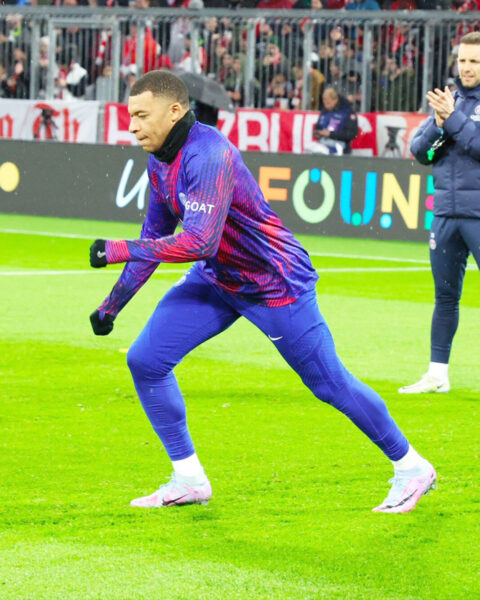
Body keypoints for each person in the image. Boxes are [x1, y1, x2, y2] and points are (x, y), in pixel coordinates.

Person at [89, 70, 435, 513]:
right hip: (218, 279)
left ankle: (411, 467)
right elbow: (155, 238)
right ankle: (189, 479)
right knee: (146, 360)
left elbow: (199, 241)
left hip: (273, 282)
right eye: (130, 116)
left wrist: (117, 250)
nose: (132, 126)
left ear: (174, 112)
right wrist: (112, 305)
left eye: (141, 115)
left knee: (328, 383)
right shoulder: (159, 160)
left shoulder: (208, 153)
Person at [400, 31, 480, 394]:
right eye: (463, 60)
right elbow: (420, 151)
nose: (467, 67)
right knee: (445, 297)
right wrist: (438, 122)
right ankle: (437, 375)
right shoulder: (450, 100)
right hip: (446, 213)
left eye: (474, 61)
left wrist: (452, 120)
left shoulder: (455, 108)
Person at [308, 87, 358, 155]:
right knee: (309, 150)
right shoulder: (325, 111)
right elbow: (318, 127)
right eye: (324, 103)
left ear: (336, 100)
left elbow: (351, 134)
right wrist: (317, 133)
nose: (326, 106)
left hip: (340, 146)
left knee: (321, 153)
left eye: (328, 103)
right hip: (323, 143)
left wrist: (331, 134)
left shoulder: (348, 112)